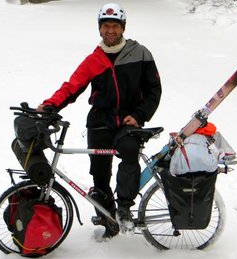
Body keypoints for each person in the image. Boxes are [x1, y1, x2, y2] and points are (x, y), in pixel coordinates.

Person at [37, 3, 162, 238]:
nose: (110, 31)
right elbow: (71, 87)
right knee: (100, 173)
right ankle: (108, 219)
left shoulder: (141, 53)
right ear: (100, 29)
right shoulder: (94, 60)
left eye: (115, 26)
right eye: (106, 26)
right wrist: (51, 104)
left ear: (123, 27)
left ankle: (124, 208)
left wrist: (139, 115)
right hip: (100, 121)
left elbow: (154, 90)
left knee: (128, 155)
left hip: (129, 123)